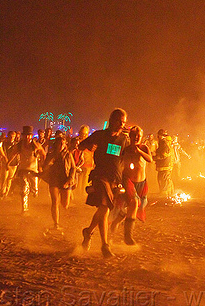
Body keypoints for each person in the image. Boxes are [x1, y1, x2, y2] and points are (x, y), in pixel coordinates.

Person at [78, 108, 130, 258]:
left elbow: (126, 158)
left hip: (115, 180)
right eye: (120, 121)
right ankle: (104, 246)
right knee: (105, 207)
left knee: (102, 209)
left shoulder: (124, 140)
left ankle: (88, 232)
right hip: (100, 177)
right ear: (112, 120)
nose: (122, 124)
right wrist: (88, 146)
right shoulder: (99, 135)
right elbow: (81, 146)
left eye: (124, 122)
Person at [110, 125, 152, 245]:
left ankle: (115, 225)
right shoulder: (125, 149)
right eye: (134, 136)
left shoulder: (144, 148)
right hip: (128, 181)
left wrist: (138, 151)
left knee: (128, 210)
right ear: (130, 136)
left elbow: (150, 159)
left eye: (139, 136)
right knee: (133, 202)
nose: (136, 138)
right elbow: (112, 156)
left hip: (142, 183)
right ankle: (127, 236)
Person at [41, 135, 77, 230]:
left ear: (65, 145)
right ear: (55, 144)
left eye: (62, 144)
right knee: (55, 202)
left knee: (65, 204)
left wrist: (70, 179)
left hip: (65, 179)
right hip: (54, 180)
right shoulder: (51, 154)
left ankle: (59, 214)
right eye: (59, 143)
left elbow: (73, 167)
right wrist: (49, 163)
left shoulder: (68, 154)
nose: (61, 145)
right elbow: (44, 167)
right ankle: (56, 223)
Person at [7, 126, 46, 215]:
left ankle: (34, 191)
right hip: (23, 170)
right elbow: (13, 154)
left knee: (35, 190)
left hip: (33, 171)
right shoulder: (20, 145)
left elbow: (43, 154)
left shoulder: (36, 145)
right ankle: (24, 209)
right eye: (25, 135)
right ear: (23, 136)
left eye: (29, 135)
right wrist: (8, 163)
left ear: (31, 136)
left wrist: (42, 165)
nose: (27, 137)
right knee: (24, 190)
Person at [154, 129, 174, 198]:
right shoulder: (162, 143)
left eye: (159, 135)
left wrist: (154, 158)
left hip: (165, 165)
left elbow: (163, 155)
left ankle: (165, 195)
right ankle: (164, 193)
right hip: (162, 165)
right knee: (161, 179)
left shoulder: (164, 143)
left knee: (164, 180)